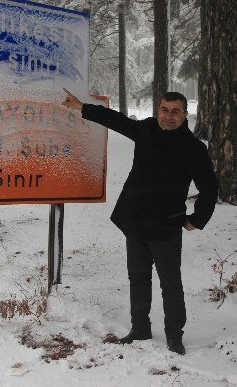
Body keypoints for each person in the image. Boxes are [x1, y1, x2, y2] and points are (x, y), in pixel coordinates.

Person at [62, 88, 219, 355]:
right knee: (138, 278)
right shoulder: (147, 131)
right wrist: (82, 107)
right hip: (135, 221)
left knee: (170, 283)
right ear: (158, 110)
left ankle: (174, 335)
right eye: (164, 110)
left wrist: (197, 219)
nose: (168, 116)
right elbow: (117, 120)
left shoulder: (194, 149)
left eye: (175, 111)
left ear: (185, 114)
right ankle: (140, 328)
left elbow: (210, 188)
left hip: (167, 226)